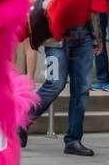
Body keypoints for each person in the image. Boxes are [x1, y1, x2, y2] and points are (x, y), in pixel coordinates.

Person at [19, 16, 103, 156]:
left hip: (84, 35)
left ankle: (73, 140)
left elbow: (94, 7)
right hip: (56, 37)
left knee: (82, 89)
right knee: (55, 84)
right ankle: (23, 120)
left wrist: (98, 36)